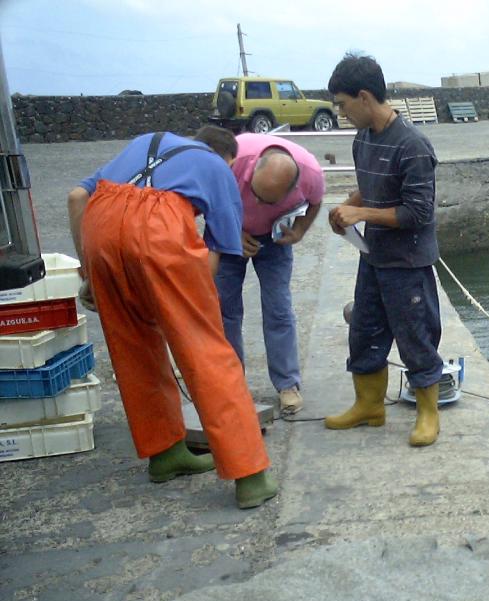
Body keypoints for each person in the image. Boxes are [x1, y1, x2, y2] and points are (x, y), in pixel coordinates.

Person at [67, 127, 278, 510]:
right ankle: (250, 476)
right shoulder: (217, 167)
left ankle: (165, 454)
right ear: (226, 158)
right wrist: (188, 306)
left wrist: (89, 275)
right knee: (207, 353)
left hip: (100, 224)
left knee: (132, 346)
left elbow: (77, 197)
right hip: (159, 229)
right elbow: (220, 249)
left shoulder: (144, 140)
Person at [325, 53, 444, 447]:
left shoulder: (412, 145)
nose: (342, 113)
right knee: (363, 331)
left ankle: (429, 413)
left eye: (343, 105)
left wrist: (361, 211)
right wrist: (348, 208)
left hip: (407, 262)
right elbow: (370, 187)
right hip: (373, 256)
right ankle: (369, 405)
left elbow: (418, 213)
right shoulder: (364, 139)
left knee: (415, 336)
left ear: (363, 97)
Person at [215, 133, 325, 416]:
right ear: (251, 172)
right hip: (228, 233)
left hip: (274, 240)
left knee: (278, 309)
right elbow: (208, 199)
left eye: (270, 201)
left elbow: (315, 201)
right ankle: (231, 385)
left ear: (292, 188)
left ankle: (288, 384)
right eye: (258, 196)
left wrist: (300, 231)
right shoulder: (232, 159)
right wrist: (234, 233)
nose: (261, 205)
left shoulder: (311, 173)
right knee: (225, 310)